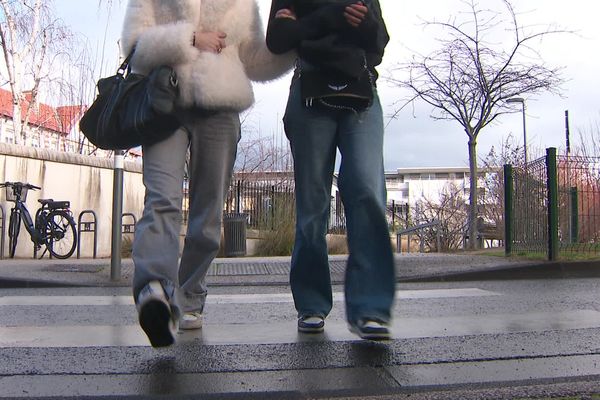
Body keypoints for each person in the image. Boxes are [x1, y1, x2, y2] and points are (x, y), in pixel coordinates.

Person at [121, 0, 294, 347]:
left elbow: (254, 60)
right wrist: (189, 39)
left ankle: (188, 296)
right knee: (162, 200)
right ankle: (154, 290)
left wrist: (294, 39)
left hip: (221, 108)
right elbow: (135, 45)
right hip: (164, 102)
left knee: (209, 215)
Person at [266, 0, 396, 340]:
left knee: (367, 191)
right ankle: (311, 304)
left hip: (361, 91)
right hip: (310, 92)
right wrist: (331, 19)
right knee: (313, 204)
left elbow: (379, 43)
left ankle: (371, 308)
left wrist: (360, 25)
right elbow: (277, 39)